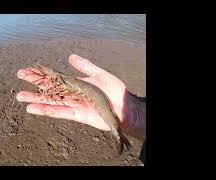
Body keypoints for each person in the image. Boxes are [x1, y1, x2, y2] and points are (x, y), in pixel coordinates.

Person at [16, 54, 146, 164]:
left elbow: (63, 82)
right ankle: (118, 133)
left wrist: (136, 115)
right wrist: (137, 116)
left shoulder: (63, 81)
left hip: (99, 100)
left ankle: (117, 134)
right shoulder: (62, 80)